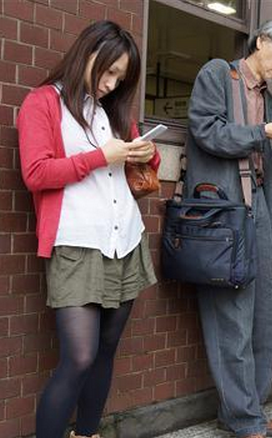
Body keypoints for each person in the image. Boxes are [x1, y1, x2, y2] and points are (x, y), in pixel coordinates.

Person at [17, 21, 159, 438]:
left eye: (120, 77)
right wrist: (101, 155)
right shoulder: (43, 103)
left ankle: (88, 433)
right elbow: (36, 173)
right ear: (87, 53)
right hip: (77, 242)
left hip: (125, 239)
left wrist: (146, 156)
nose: (111, 84)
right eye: (108, 71)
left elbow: (139, 173)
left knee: (105, 352)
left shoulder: (115, 111)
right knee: (79, 356)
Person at [184, 19, 272, 438]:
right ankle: (242, 417)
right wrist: (261, 134)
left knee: (261, 321)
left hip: (259, 218)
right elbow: (206, 131)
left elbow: (259, 160)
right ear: (261, 41)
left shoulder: (268, 103)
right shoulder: (218, 73)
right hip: (224, 220)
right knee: (230, 323)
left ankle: (247, 409)